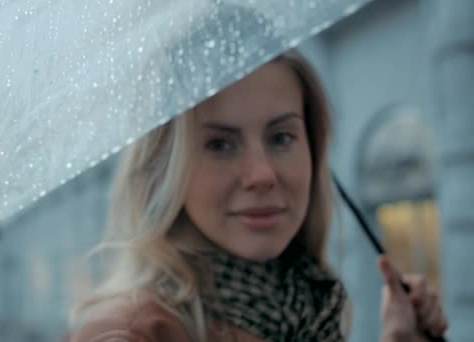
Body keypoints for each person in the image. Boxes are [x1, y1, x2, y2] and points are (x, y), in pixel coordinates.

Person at [69, 50, 448, 341]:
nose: (262, 175)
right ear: (168, 169)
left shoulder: (310, 311)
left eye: (281, 137)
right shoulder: (131, 335)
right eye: (219, 144)